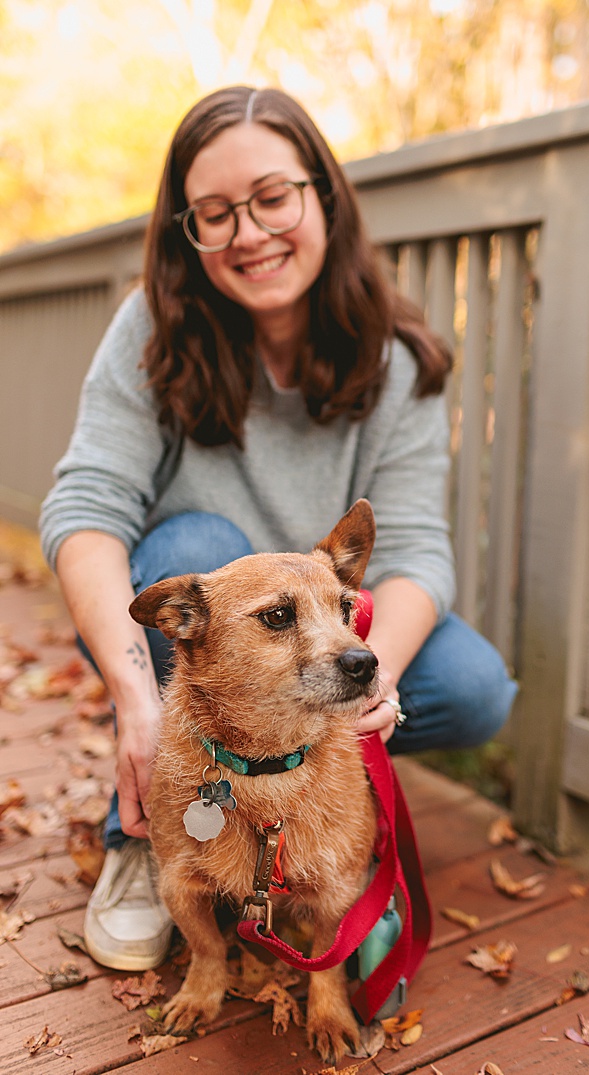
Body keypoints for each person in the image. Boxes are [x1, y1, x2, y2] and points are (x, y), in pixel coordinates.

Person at [38, 86, 518, 971]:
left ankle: (313, 814)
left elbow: (413, 550)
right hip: (193, 605)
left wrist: (376, 680)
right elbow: (85, 510)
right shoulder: (153, 328)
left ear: (322, 196)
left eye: (271, 198)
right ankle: (148, 833)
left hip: (330, 622)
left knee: (475, 685)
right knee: (192, 547)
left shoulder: (397, 358)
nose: (249, 234)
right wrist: (141, 703)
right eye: (215, 214)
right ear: (188, 231)